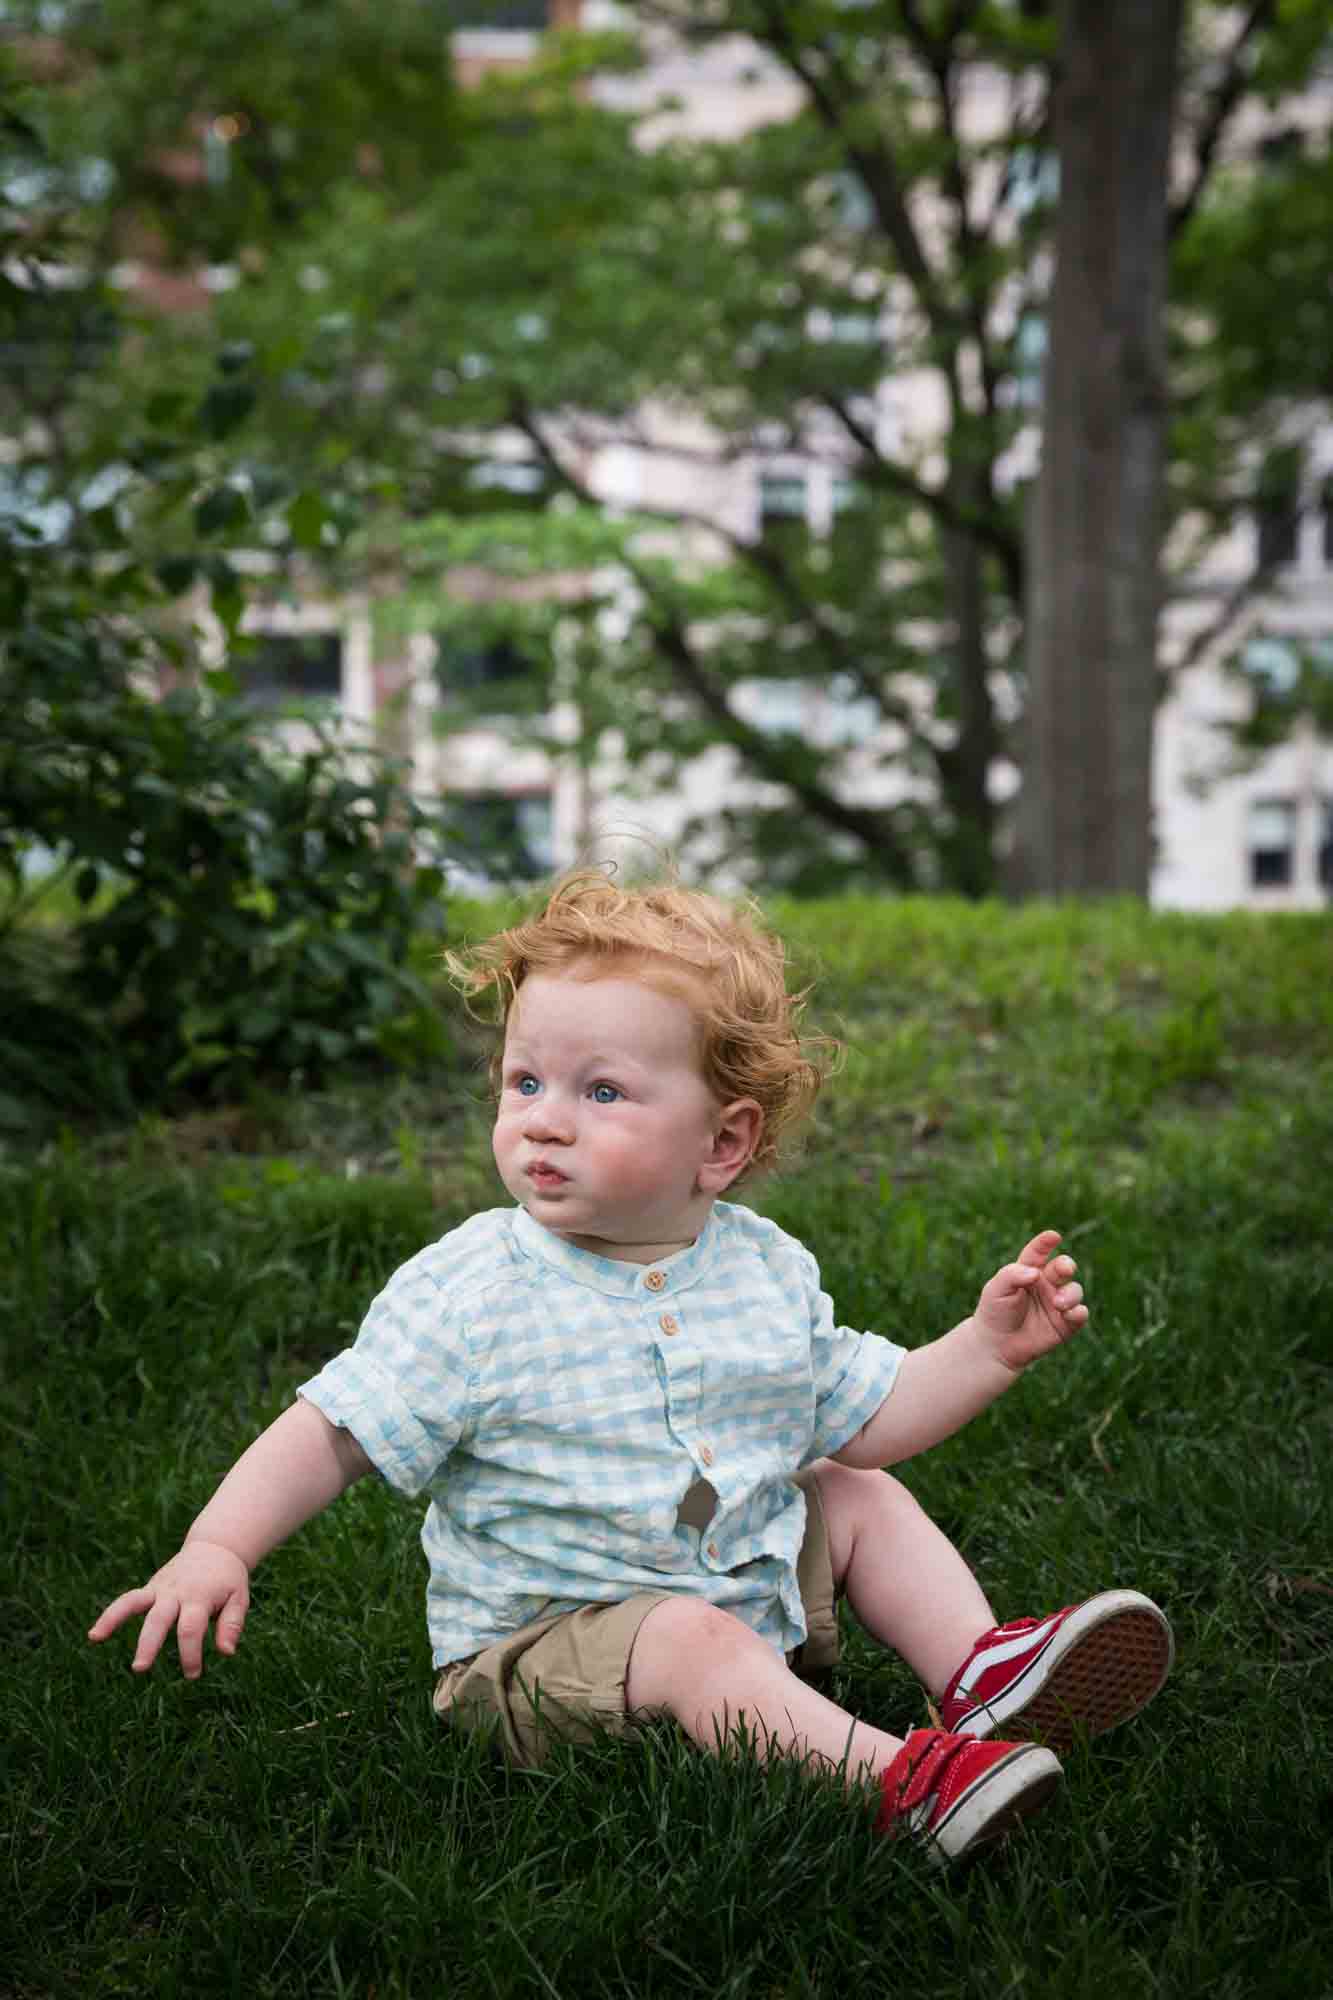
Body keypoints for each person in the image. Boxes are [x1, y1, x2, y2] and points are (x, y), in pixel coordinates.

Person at [89, 872, 1174, 1866]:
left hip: (728, 1585)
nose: (544, 1117)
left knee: (854, 1491)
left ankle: (981, 1677)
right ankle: (905, 1781)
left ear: (722, 1144)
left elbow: (864, 1414)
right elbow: (333, 1428)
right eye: (524, 1079)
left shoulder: (762, 1269)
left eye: (600, 1091)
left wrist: (983, 1350)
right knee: (689, 1636)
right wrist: (217, 1545)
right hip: (535, 1657)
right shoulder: (472, 1288)